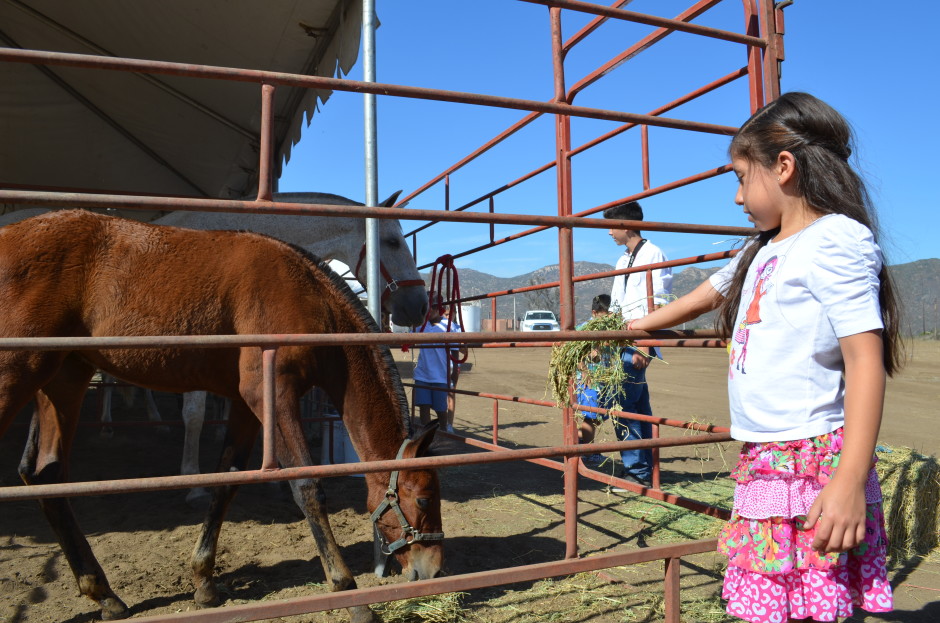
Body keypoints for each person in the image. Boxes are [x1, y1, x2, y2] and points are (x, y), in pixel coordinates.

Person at [629, 92, 899, 622]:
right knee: (772, 600)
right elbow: (709, 291)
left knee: (813, 599)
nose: (736, 197)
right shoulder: (766, 246)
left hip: (813, 458)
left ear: (784, 167)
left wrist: (848, 480)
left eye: (740, 176)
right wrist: (637, 325)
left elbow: (865, 359)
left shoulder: (834, 241)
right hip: (769, 453)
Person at [604, 200, 672, 487]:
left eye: (610, 226)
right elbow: (618, 303)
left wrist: (646, 344)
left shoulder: (653, 253)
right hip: (622, 338)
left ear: (625, 225)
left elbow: (657, 299)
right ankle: (644, 466)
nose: (608, 233)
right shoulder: (623, 259)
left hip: (638, 339)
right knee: (638, 405)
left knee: (622, 404)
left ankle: (637, 471)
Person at [412, 292, 467, 433]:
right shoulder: (420, 327)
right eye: (426, 307)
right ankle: (427, 434)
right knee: (423, 406)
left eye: (432, 307)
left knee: (440, 408)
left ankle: (443, 428)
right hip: (422, 374)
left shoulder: (449, 327)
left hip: (441, 375)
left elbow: (455, 352)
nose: (429, 310)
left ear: (438, 308)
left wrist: (454, 374)